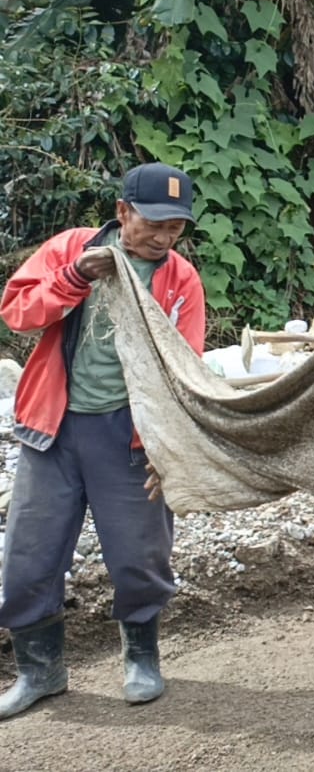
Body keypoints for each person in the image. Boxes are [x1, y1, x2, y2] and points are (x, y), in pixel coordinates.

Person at [0, 163, 205, 719]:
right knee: (29, 555)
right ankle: (40, 672)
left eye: (176, 227)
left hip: (129, 435)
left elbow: (186, 371)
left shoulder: (180, 279)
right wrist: (75, 277)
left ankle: (142, 659)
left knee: (140, 556)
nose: (163, 237)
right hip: (56, 429)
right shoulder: (72, 248)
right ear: (123, 212)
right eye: (153, 223)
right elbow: (17, 312)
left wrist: (170, 451)